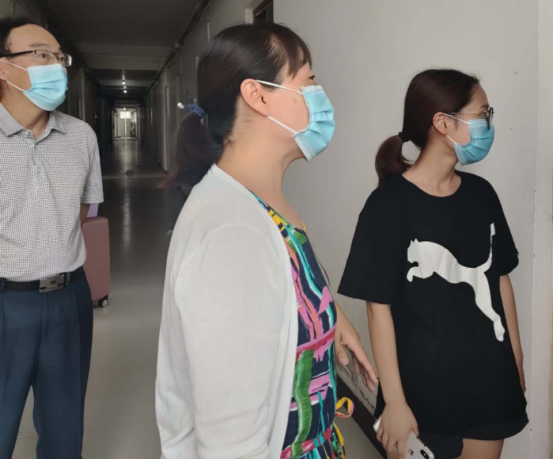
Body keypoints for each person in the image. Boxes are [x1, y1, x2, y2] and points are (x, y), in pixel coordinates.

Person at [156, 23, 378, 459]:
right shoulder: (232, 234)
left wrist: (328, 319)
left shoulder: (262, 202)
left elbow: (281, 291)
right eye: (309, 80)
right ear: (257, 95)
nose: (319, 96)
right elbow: (230, 441)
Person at [339, 69, 528, 459]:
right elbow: (378, 308)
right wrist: (395, 401)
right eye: (482, 114)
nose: (488, 123)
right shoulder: (387, 205)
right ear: (443, 122)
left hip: (490, 386)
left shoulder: (482, 194)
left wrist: (516, 360)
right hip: (419, 395)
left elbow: (499, 281)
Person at [0, 17, 104, 459]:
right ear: (4, 67)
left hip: (69, 298)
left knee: (64, 433)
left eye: (59, 57)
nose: (55, 66)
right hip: (6, 301)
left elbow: (80, 213)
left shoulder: (80, 136)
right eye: (41, 54)